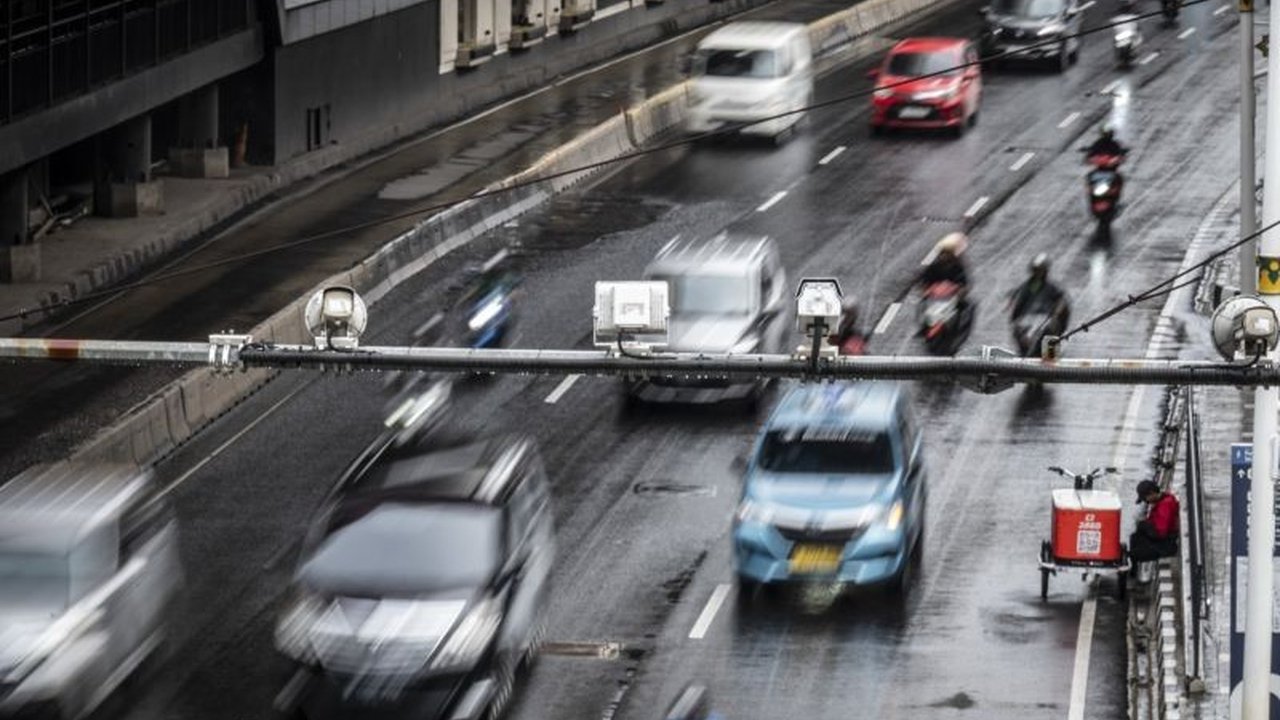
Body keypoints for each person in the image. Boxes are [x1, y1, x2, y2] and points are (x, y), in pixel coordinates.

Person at [1010, 254, 1069, 327]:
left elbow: (1061, 301)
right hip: (1029, 318)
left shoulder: (1051, 287)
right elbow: (1021, 301)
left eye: (1040, 270)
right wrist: (1016, 317)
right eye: (1035, 270)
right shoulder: (1029, 286)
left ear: (1045, 271)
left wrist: (1055, 315)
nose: (1037, 273)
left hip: (1046, 318)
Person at [1128, 479, 1180, 562]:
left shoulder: (1165, 506)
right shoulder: (1163, 501)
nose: (1146, 502)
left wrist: (1146, 526)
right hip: (1163, 540)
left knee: (1136, 552)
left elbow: (1161, 533)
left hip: (1167, 545)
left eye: (1146, 499)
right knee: (1135, 538)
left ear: (1152, 493)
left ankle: (1131, 568)